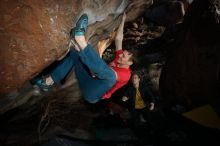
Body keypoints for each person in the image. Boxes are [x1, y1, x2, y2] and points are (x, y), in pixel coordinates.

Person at [33, 13, 135, 103]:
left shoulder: (126, 75)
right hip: (88, 79)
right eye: (122, 53)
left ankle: (80, 39)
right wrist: (123, 21)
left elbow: (102, 72)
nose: (120, 55)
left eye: (123, 56)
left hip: (93, 94)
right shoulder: (120, 59)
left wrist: (84, 51)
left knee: (111, 78)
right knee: (75, 54)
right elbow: (118, 39)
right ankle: (48, 82)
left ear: (129, 63)